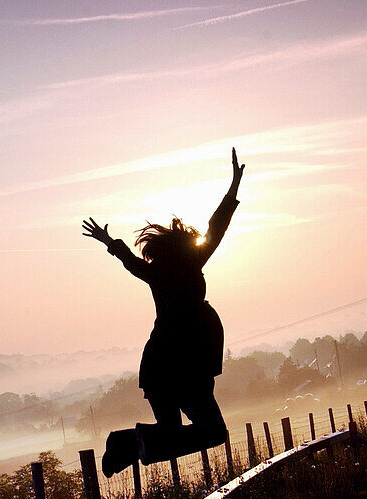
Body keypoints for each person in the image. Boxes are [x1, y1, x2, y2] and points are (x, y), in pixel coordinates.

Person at [82, 148, 245, 477]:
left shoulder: (156, 273)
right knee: (212, 433)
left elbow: (130, 260)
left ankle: (127, 443)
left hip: (159, 368)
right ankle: (130, 443)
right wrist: (233, 187)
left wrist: (109, 240)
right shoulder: (191, 264)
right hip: (185, 366)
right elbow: (217, 228)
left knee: (172, 430)